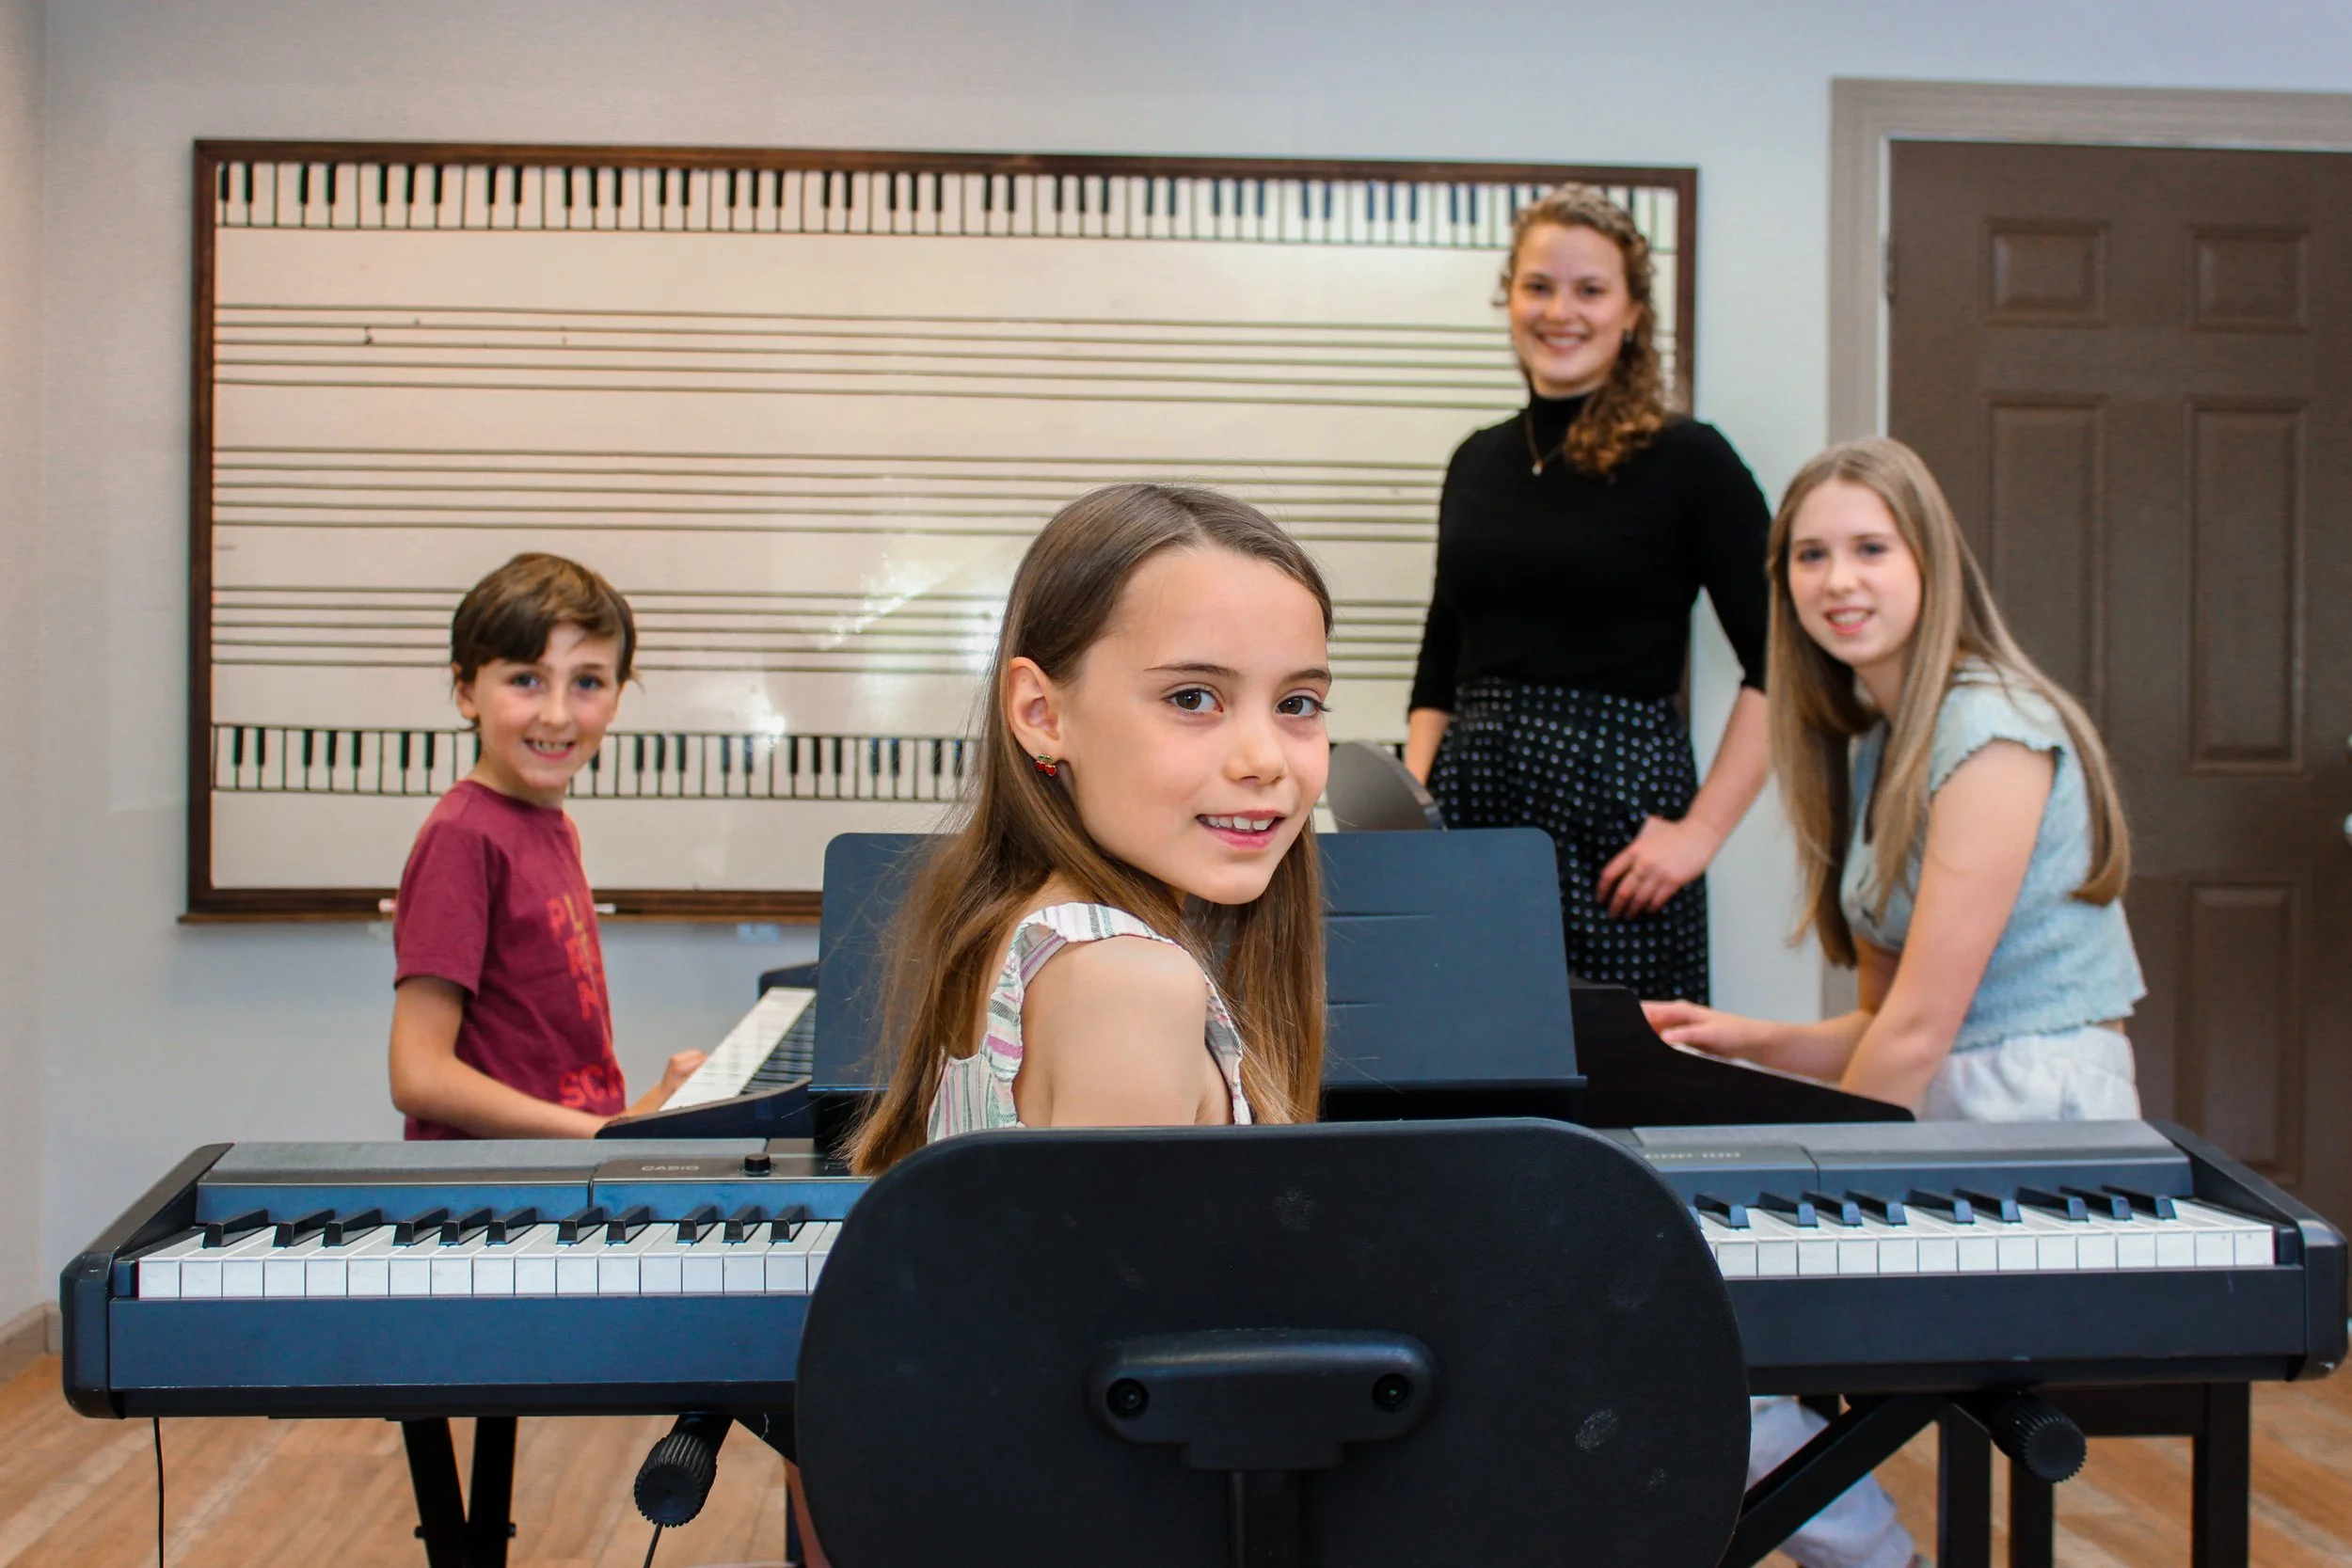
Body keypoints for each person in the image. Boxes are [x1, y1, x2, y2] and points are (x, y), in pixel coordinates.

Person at [779, 484, 1332, 1567]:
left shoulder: (1025, 927)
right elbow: (1115, 1406)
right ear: (1042, 711)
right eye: (1194, 697)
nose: (1265, 757)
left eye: (1299, 703)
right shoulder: (1128, 978)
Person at [1644, 437, 2145, 1568]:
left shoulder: (1989, 731)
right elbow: (1891, 1024)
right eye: (1810, 555)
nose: (1838, 580)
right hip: (1960, 1096)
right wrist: (1738, 1040)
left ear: (1930, 562)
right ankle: (1870, 1550)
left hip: (2042, 1128)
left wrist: (1817, 1206)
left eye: (1870, 547)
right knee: (1673, 1300)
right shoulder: (1879, 744)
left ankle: (1879, 1560)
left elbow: (1917, 1035)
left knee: (1692, 1321)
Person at [1406, 183, 1772, 1004]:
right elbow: (1441, 659)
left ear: (1633, 312)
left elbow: (1783, 662)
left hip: (1616, 819)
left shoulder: (1691, 459)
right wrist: (1418, 824)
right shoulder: (1476, 459)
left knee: (1620, 1079)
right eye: (1539, 286)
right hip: (1473, 809)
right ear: (1510, 298)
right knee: (1468, 1049)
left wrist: (1700, 834)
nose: (1560, 310)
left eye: (1590, 289)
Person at [388, 552, 705, 1140]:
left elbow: (548, 1071)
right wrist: (612, 1134)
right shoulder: (462, 834)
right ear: (466, 691)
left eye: (586, 682)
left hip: (557, 1172)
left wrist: (643, 1111)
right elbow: (418, 1074)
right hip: (493, 1201)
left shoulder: (550, 826)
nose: (557, 714)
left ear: (615, 698)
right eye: (525, 680)